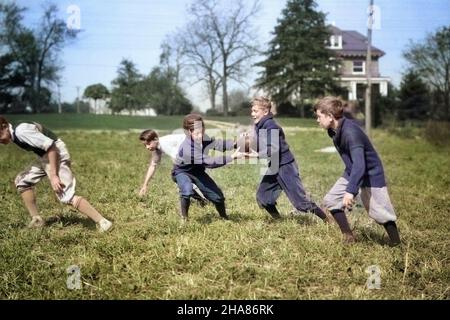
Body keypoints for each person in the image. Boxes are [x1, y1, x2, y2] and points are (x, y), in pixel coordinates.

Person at [314, 96, 401, 246]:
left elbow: (360, 165)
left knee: (381, 213)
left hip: (370, 174)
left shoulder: (350, 133)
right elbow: (355, 165)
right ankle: (349, 236)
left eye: (319, 116)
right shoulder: (334, 129)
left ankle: (397, 245)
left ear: (329, 116)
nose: (317, 120)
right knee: (331, 201)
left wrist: (350, 191)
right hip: (352, 171)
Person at [0, 116, 112, 232]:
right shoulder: (15, 132)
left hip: (56, 154)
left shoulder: (21, 131)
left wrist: (54, 176)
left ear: (4, 126)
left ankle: (103, 222)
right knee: (21, 181)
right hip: (45, 156)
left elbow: (52, 147)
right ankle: (37, 220)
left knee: (64, 194)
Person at [248, 96, 329, 222]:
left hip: (286, 166)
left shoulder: (271, 126)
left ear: (265, 112)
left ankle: (327, 218)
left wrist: (257, 155)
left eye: (255, 111)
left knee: (301, 204)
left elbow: (273, 149)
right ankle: (278, 220)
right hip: (274, 165)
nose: (252, 114)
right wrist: (246, 144)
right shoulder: (260, 125)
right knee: (263, 197)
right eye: (252, 111)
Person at [171, 114, 243, 221]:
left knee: (218, 197)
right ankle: (184, 219)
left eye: (202, 132)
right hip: (182, 172)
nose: (200, 136)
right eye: (197, 133)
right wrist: (232, 157)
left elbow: (217, 144)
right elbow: (210, 162)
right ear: (189, 132)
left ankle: (224, 218)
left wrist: (236, 143)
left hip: (198, 172)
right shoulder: (187, 148)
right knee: (187, 191)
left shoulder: (203, 138)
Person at [138, 130, 208, 205]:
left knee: (179, 176)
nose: (147, 147)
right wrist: (145, 185)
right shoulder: (157, 147)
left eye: (148, 144)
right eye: (145, 145)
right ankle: (202, 199)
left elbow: (177, 159)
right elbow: (153, 165)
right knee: (180, 178)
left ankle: (204, 198)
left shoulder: (164, 143)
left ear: (155, 139)